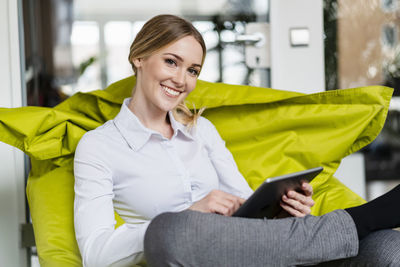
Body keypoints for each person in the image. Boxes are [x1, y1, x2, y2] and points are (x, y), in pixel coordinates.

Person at [73, 14, 400, 267]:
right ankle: (365, 218)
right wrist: (191, 212)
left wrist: (281, 213)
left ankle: (347, 227)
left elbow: (247, 206)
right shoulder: (99, 146)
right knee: (168, 231)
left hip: (252, 250)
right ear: (139, 58)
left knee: (386, 246)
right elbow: (95, 253)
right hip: (187, 253)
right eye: (171, 62)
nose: (181, 80)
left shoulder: (202, 130)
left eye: (193, 70)